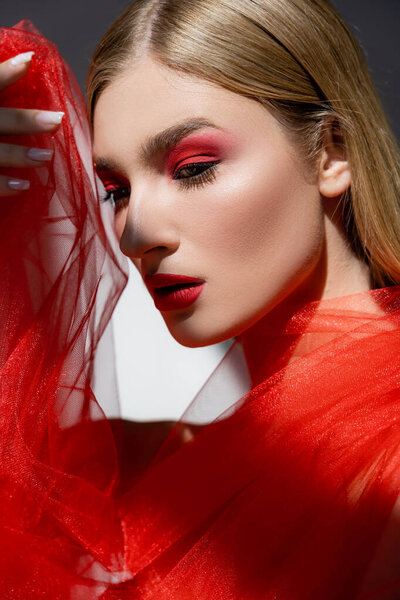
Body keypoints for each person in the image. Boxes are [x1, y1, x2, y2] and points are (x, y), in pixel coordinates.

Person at [1, 1, 400, 598]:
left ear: (332, 153)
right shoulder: (178, 460)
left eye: (194, 168)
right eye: (116, 190)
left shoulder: (384, 466)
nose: (137, 233)